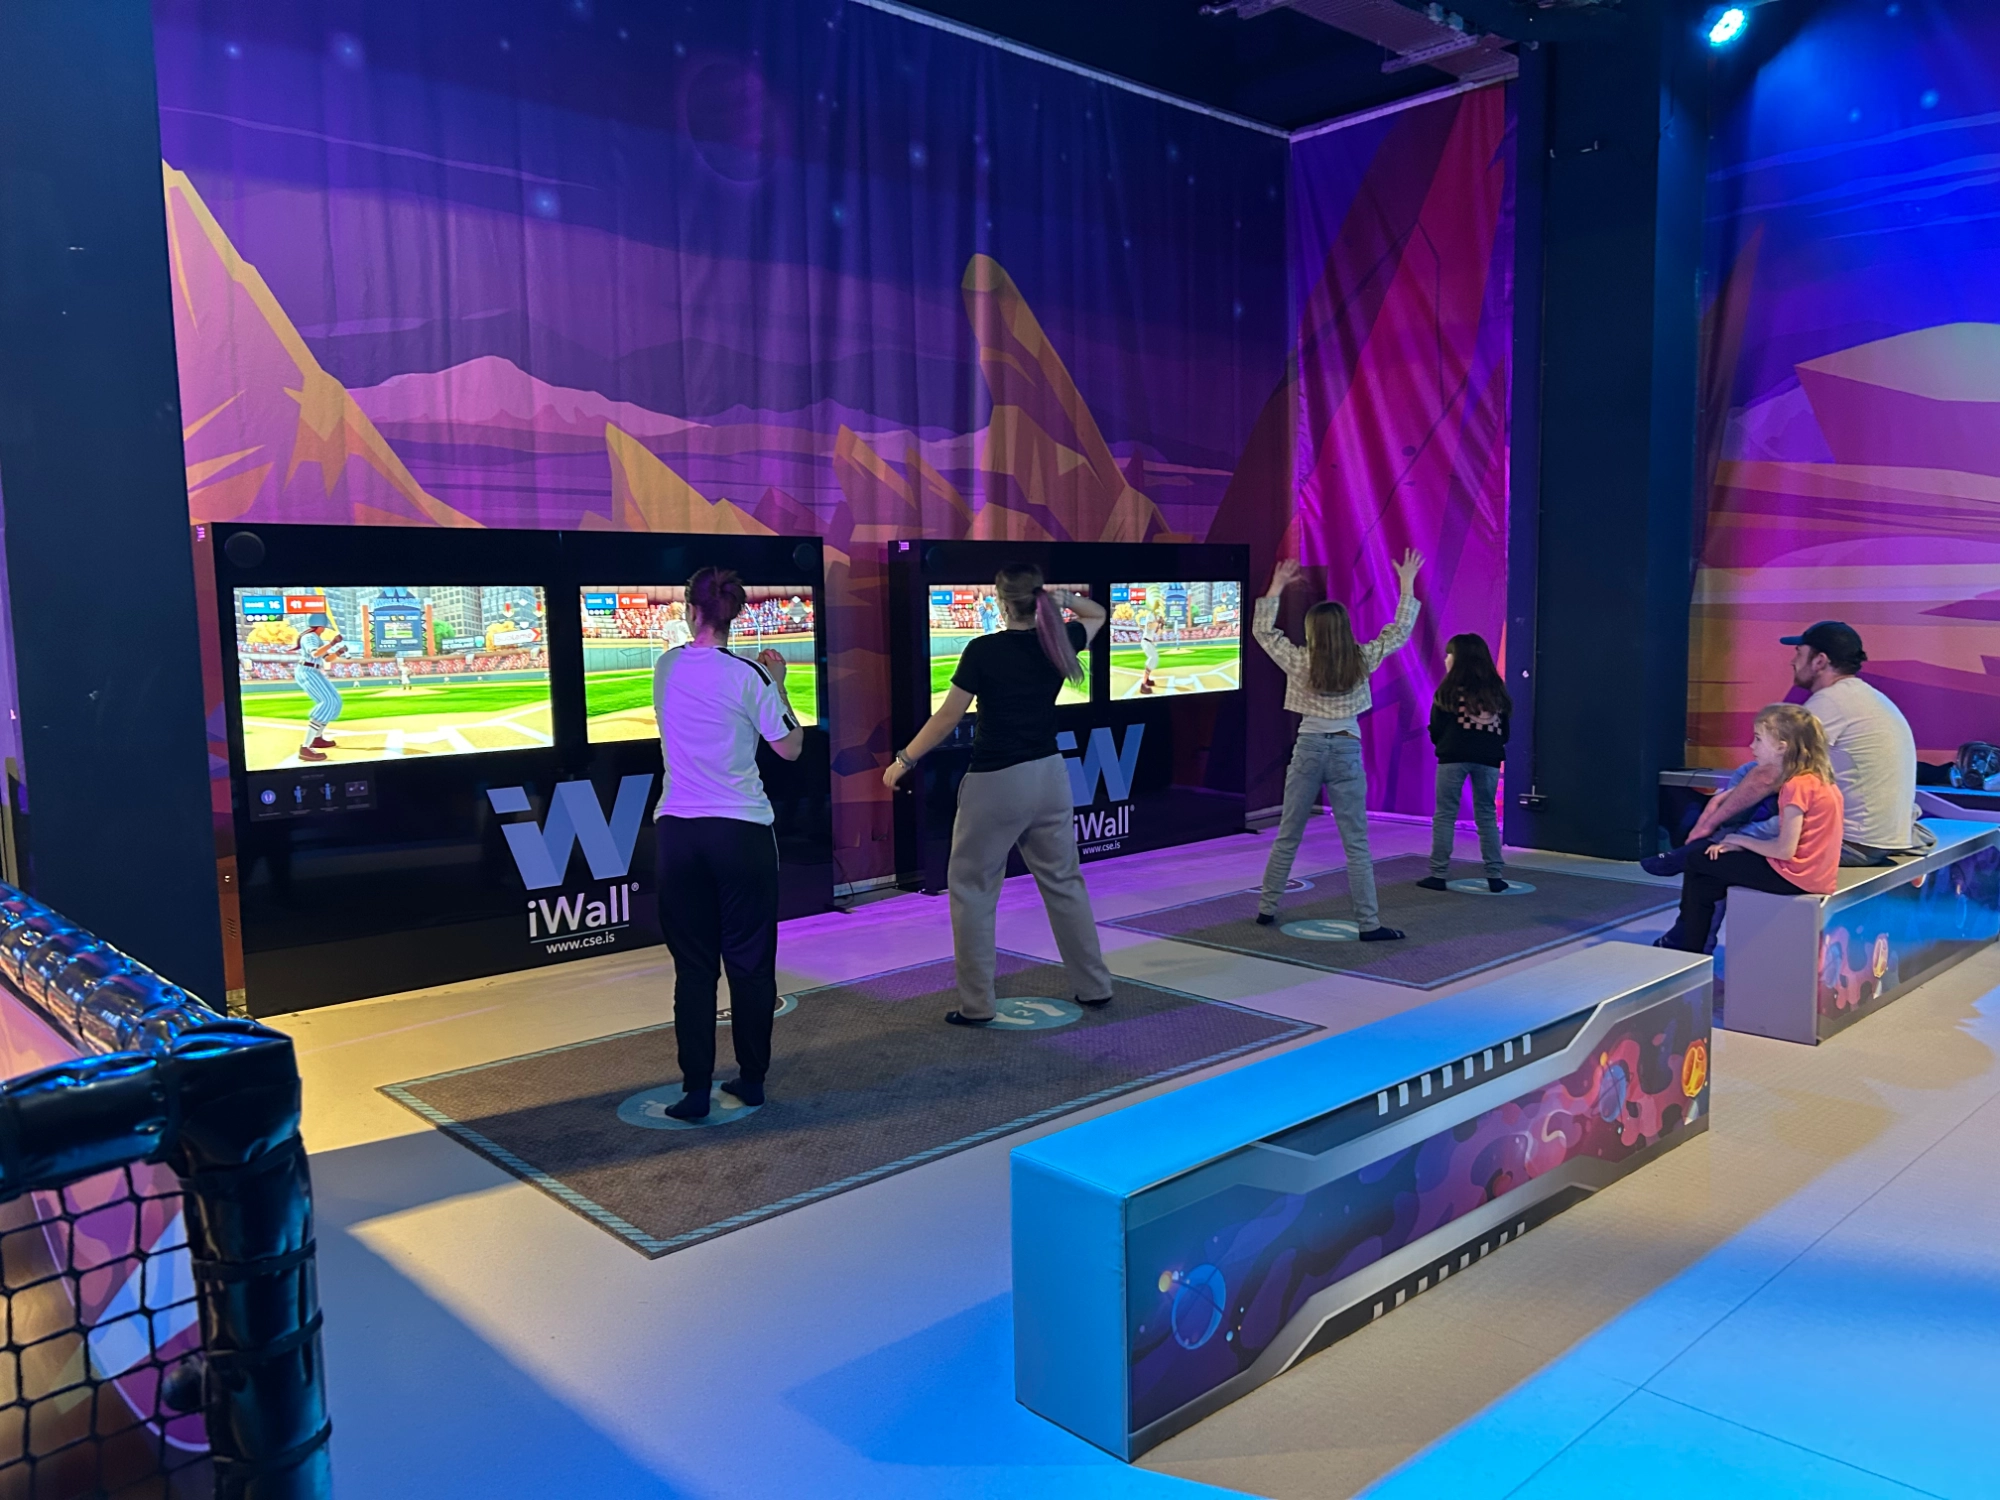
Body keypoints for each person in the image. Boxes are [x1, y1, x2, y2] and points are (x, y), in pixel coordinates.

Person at [884, 564, 1115, 1025]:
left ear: (1001, 601)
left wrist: (904, 759)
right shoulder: (1057, 641)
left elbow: (947, 717)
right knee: (1064, 883)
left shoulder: (984, 650)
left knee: (972, 889)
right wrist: (1062, 598)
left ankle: (977, 1005)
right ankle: (1094, 986)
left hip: (997, 780)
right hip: (1049, 775)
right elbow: (1097, 614)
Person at [653, 566, 804, 1120]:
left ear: (691, 609)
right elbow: (790, 747)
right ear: (735, 614)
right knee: (750, 963)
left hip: (679, 832)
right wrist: (778, 683)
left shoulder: (666, 665)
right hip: (740, 831)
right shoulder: (749, 675)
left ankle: (695, 1089)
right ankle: (752, 1079)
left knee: (693, 969)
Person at [1253, 550, 1423, 938]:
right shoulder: (1361, 659)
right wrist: (1407, 583)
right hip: (1346, 749)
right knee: (1356, 844)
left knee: (1288, 835)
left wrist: (1276, 586)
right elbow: (1398, 632)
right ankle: (1369, 923)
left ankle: (1266, 908)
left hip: (1309, 749)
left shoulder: (1300, 661)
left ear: (1312, 631)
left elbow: (1264, 633)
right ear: (1345, 629)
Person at [1688, 621, 1916, 864]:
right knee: (1750, 775)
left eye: (1799, 653)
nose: (1793, 662)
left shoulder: (1830, 702)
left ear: (1819, 661)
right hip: (1882, 837)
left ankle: (1703, 845)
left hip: (1853, 842)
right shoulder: (1864, 696)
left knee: (1720, 847)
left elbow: (1768, 776)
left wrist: (1709, 822)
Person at [1664, 703, 1843, 952]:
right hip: (1812, 874)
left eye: (1758, 739)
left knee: (1697, 859)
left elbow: (1784, 850)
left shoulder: (1796, 786)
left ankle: (1688, 948)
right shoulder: (1821, 781)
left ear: (1782, 747)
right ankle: (1690, 947)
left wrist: (1738, 840)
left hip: (1796, 877)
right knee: (1707, 879)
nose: (1752, 746)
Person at [1417, 632, 1510, 894]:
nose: (1445, 658)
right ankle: (1495, 876)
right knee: (1487, 815)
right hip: (1489, 760)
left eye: (1450, 654)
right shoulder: (1497, 693)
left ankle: (1438, 875)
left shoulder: (1447, 691)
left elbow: (1436, 728)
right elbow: (1505, 733)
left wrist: (1446, 744)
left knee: (1445, 815)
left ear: (1459, 659)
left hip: (1452, 757)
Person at [292, 613, 346, 763]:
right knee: (327, 702)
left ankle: (317, 738)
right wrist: (332, 643)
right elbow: (315, 653)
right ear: (321, 625)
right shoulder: (309, 637)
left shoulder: (317, 638)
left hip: (315, 671)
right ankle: (305, 747)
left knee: (335, 701)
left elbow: (327, 658)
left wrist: (339, 652)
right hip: (307, 671)